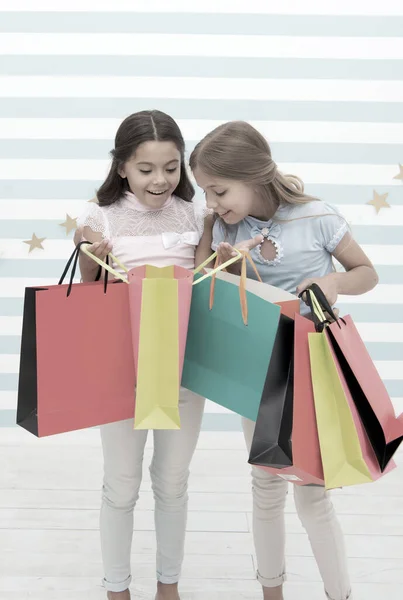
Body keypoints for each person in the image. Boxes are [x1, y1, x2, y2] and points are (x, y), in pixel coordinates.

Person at [189, 120, 379, 600]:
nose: (211, 202)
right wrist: (214, 233)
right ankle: (271, 592)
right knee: (265, 484)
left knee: (312, 493)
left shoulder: (317, 217)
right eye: (205, 194)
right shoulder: (228, 227)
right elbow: (200, 285)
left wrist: (333, 283)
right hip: (257, 370)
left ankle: (340, 594)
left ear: (252, 175)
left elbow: (366, 273)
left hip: (313, 370)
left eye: (218, 191)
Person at [75, 110, 212, 600]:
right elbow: (89, 294)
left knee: (173, 479)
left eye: (171, 167)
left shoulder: (199, 215)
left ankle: (168, 586)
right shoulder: (99, 216)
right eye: (146, 168)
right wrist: (94, 255)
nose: (161, 180)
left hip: (184, 366)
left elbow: (206, 287)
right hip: (120, 370)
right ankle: (117, 588)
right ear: (122, 168)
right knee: (121, 481)